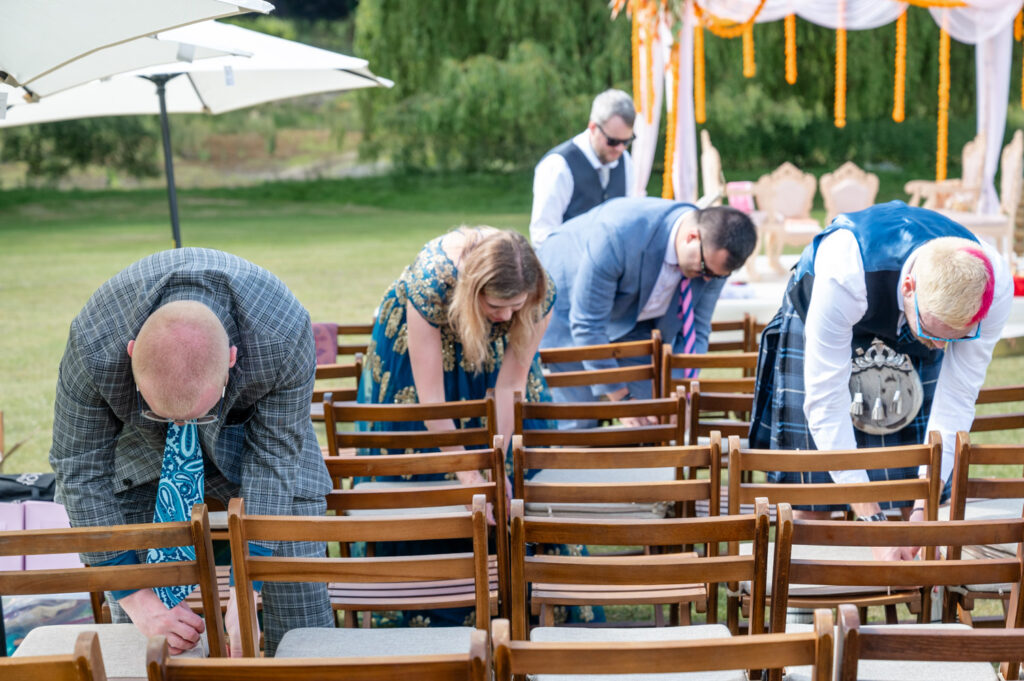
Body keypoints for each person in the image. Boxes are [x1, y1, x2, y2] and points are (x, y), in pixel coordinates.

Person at [50, 248, 334, 657]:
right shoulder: (94, 345)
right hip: (142, 457)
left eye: (197, 415)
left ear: (233, 361)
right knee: (147, 644)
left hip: (259, 448)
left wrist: (246, 584)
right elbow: (78, 467)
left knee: (301, 629)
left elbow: (274, 458)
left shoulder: (283, 333)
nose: (183, 426)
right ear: (130, 353)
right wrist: (134, 596)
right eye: (162, 410)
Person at [749, 201, 1012, 558]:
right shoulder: (844, 271)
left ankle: (913, 595)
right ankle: (816, 604)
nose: (941, 347)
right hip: (824, 314)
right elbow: (825, 404)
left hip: (905, 318)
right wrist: (874, 522)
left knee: (909, 484)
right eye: (936, 334)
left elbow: (958, 397)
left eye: (957, 338)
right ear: (909, 287)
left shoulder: (992, 287)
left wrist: (924, 507)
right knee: (811, 494)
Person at [538, 197, 758, 426]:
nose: (707, 280)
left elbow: (696, 329)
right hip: (565, 308)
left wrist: (679, 388)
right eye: (704, 270)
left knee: (655, 418)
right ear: (692, 237)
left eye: (717, 276)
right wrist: (621, 398)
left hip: (633, 320)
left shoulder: (713, 262)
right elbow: (587, 325)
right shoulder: (618, 234)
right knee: (580, 426)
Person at [529, 89, 641, 246]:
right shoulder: (558, 166)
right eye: (613, 141)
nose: (620, 149)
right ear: (593, 127)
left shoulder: (626, 162)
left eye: (627, 141)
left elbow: (629, 220)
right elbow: (543, 235)